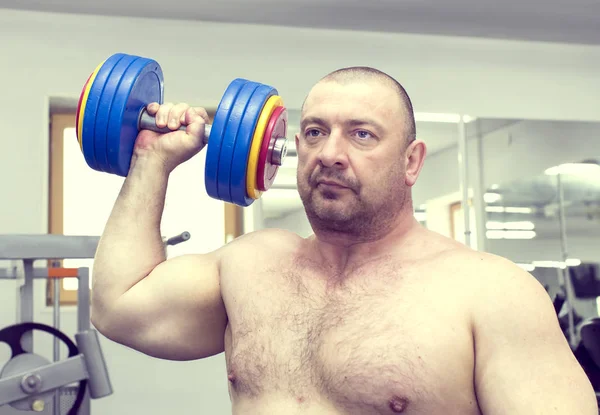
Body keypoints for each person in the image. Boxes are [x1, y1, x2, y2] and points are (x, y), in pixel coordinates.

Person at [90, 67, 597, 414]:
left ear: (412, 161)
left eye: (362, 134)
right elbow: (119, 305)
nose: (329, 153)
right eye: (314, 132)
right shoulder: (252, 266)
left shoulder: (492, 292)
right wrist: (151, 160)